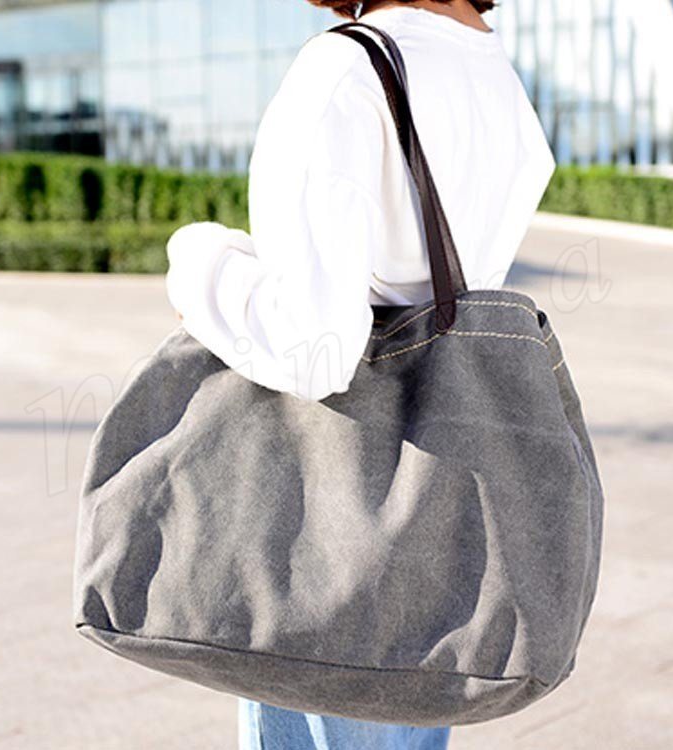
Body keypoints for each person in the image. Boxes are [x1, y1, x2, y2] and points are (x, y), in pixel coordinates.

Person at [166, 0, 556, 746]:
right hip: (439, 499)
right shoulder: (490, 67)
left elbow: (314, 347)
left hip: (331, 505)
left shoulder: (346, 69)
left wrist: (202, 263)